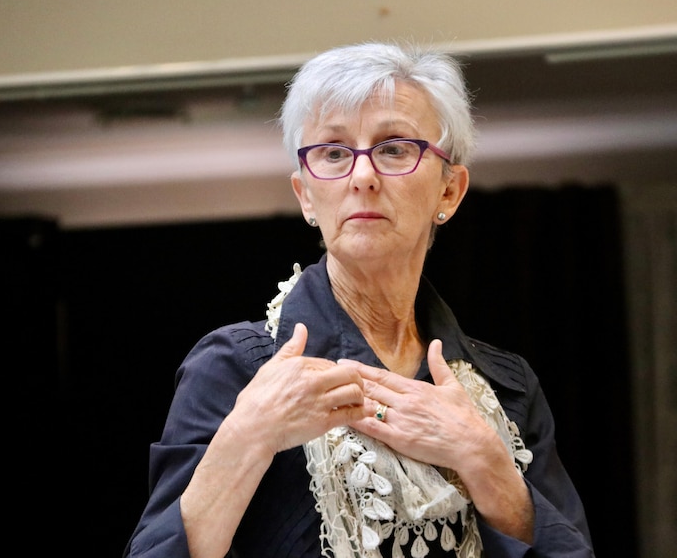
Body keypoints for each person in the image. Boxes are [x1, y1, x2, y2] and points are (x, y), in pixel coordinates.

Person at [123, 41, 594, 558]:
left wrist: (484, 459)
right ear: (305, 194)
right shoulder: (236, 368)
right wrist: (247, 436)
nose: (363, 176)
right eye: (333, 153)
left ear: (450, 192)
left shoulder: (506, 388)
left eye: (394, 148)